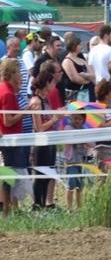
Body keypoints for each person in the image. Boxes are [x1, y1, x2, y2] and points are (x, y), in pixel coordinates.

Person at [1, 59, 38, 217]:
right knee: (10, 176)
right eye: (17, 71)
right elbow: (7, 121)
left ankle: (9, 210)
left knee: (8, 175)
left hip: (10, 138)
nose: (20, 75)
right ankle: (9, 211)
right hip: (11, 140)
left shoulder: (5, 89)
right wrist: (26, 111)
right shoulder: (8, 94)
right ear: (11, 73)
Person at [30, 68, 63, 209]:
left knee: (48, 174)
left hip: (49, 141)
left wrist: (56, 115)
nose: (53, 86)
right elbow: (39, 127)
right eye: (52, 83)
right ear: (46, 83)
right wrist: (55, 119)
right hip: (41, 143)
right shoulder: (36, 101)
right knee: (40, 176)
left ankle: (42, 205)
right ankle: (37, 205)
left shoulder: (45, 99)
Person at [63, 113, 91, 210]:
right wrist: (83, 139)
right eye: (75, 118)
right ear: (71, 118)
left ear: (83, 120)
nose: (77, 120)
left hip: (82, 161)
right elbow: (72, 139)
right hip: (71, 161)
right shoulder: (68, 127)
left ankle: (79, 207)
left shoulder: (84, 130)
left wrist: (86, 141)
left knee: (80, 186)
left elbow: (91, 143)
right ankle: (69, 208)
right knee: (71, 185)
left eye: (79, 119)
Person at [60, 37, 94, 102]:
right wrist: (88, 79)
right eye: (79, 44)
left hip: (86, 93)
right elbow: (75, 79)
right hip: (73, 95)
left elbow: (92, 75)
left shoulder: (81, 60)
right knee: (77, 112)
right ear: (74, 46)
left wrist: (85, 76)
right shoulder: (67, 61)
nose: (81, 46)